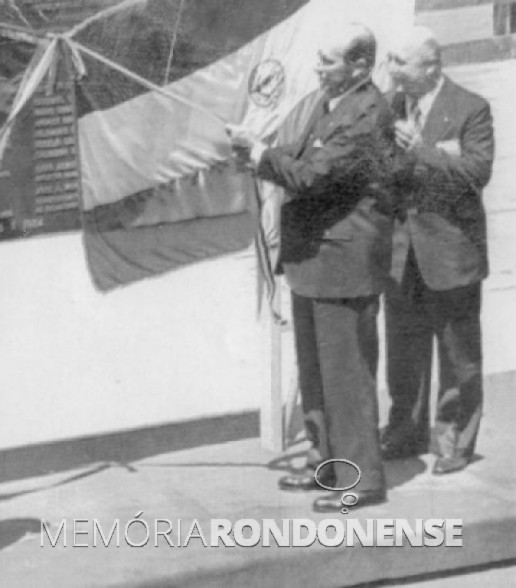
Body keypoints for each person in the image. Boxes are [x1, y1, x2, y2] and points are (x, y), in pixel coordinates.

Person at [227, 24, 402, 512]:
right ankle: (327, 464)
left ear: (360, 67)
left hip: (343, 265)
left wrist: (263, 157)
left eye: (329, 62)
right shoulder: (328, 104)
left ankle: (362, 480)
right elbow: (298, 157)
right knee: (317, 374)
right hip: (313, 261)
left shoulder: (367, 112)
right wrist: (255, 149)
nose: (318, 69)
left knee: (346, 377)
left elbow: (314, 176)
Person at [381, 26, 494, 475]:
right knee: (403, 352)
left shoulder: (471, 109)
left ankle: (455, 440)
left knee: (457, 355)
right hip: (400, 255)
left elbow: (476, 173)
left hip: (451, 255)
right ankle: (405, 430)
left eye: (401, 63)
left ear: (432, 67)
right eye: (389, 60)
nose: (392, 71)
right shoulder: (390, 109)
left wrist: (424, 151)